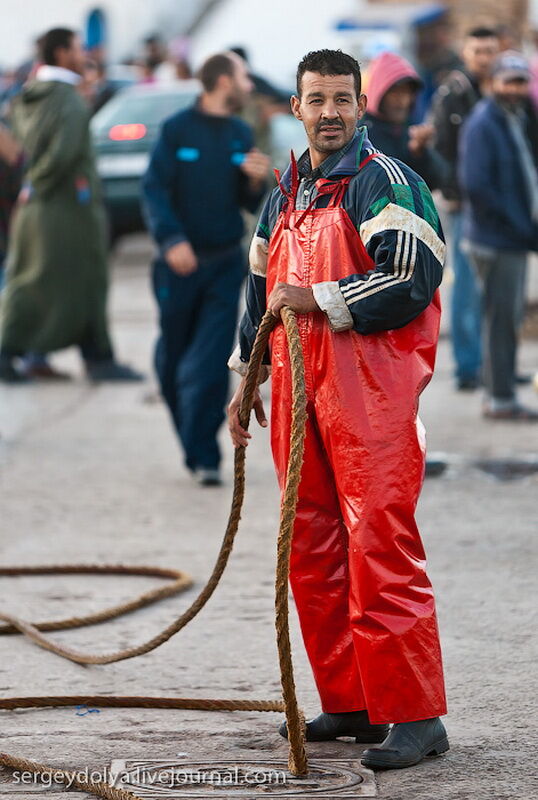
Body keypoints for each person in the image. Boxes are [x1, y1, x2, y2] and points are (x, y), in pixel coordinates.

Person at [228, 49, 448, 770]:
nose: (329, 113)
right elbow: (261, 290)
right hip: (298, 392)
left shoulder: (386, 182)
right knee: (312, 548)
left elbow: (411, 278)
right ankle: (351, 700)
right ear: (295, 107)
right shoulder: (287, 190)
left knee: (380, 548)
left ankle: (416, 717)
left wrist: (319, 299)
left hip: (371, 400)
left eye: (342, 100)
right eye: (316, 100)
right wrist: (247, 376)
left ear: (361, 107)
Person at [142, 52, 270, 486]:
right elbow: (154, 190)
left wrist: (256, 180)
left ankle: (205, 454)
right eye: (243, 76)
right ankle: (193, 441)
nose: (249, 84)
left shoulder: (240, 131)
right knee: (173, 361)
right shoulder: (177, 129)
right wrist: (171, 240)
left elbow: (251, 203)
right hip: (176, 266)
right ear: (221, 81)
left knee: (210, 361)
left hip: (221, 263)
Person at [0, 28, 142, 383]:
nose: (84, 54)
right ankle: (96, 357)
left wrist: (28, 187)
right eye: (78, 48)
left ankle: (42, 353)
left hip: (36, 208)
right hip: (67, 208)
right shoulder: (68, 100)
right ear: (62, 53)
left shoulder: (29, 95)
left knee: (34, 280)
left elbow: (19, 149)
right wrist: (40, 185)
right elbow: (61, 156)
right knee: (87, 278)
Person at [459, 51, 538, 421]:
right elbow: (477, 186)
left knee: (505, 318)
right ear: (493, 83)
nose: (515, 89)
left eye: (521, 81)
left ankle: (500, 390)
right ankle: (500, 399)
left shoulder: (515, 118)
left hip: (511, 237)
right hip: (496, 240)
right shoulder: (483, 123)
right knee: (501, 319)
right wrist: (520, 228)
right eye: (509, 81)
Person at [431, 27, 499, 390]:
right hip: (464, 204)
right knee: (468, 287)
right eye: (478, 51)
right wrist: (451, 190)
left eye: (490, 50)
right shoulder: (453, 93)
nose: (485, 58)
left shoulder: (502, 89)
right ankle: (468, 367)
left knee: (496, 289)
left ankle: (494, 367)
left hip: (498, 206)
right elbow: (441, 146)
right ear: (466, 52)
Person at [363, 51, 448, 191]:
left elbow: (437, 181)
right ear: (379, 92)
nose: (402, 100)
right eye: (395, 92)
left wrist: (419, 152)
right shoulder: (362, 134)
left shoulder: (409, 128)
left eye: (407, 92)